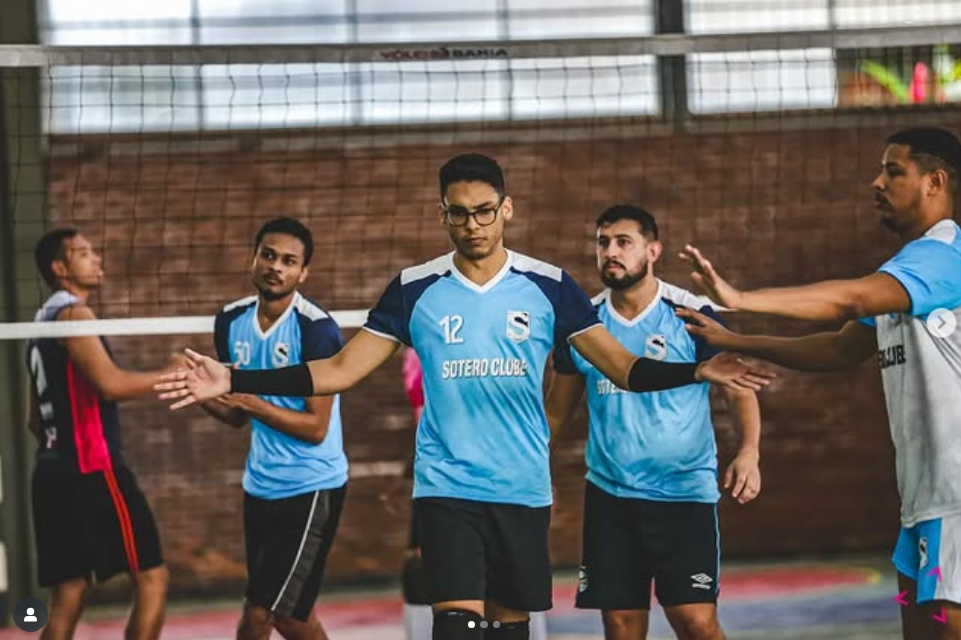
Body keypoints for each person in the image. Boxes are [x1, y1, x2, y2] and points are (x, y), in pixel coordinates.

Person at [157, 153, 774, 640]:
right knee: (455, 626)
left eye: (484, 212)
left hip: (521, 489)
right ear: (442, 215)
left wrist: (698, 371)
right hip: (447, 487)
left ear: (507, 209)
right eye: (459, 214)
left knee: (508, 628)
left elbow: (626, 368)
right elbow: (339, 370)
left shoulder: (551, 287)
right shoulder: (413, 289)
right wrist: (234, 379)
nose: (472, 225)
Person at [671, 127, 961, 639]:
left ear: (934, 182)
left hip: (955, 503)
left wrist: (740, 298)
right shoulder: (904, 274)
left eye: (893, 171)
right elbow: (837, 348)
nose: (877, 183)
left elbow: (849, 299)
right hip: (921, 503)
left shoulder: (944, 257)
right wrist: (737, 339)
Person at [546, 205, 763, 640]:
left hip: (682, 494)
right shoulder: (582, 325)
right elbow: (555, 412)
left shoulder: (692, 315)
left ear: (653, 251)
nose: (611, 252)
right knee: (621, 627)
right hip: (610, 497)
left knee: (696, 623)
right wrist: (527, 467)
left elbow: (739, 388)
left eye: (623, 242)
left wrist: (749, 452)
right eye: (603, 242)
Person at [200, 217, 348, 640]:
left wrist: (251, 401)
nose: (275, 267)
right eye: (268, 255)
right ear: (254, 258)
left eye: (288, 261)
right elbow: (236, 416)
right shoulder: (230, 321)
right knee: (281, 612)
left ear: (303, 273)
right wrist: (199, 394)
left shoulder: (316, 330)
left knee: (271, 614)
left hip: (311, 487)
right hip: (260, 486)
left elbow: (316, 428)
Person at [27, 229, 175, 640]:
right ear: (60, 268)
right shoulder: (74, 315)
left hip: (50, 471)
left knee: (69, 592)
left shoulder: (38, 323)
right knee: (152, 578)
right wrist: (172, 373)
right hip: (93, 467)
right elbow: (110, 385)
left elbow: (34, 421)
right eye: (84, 253)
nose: (96, 259)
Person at [393, 349, 549, 640]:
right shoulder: (416, 350)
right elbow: (430, 423)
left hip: (507, 478)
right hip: (443, 479)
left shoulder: (489, 343)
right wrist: (407, 474)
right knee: (429, 579)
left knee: (508, 593)